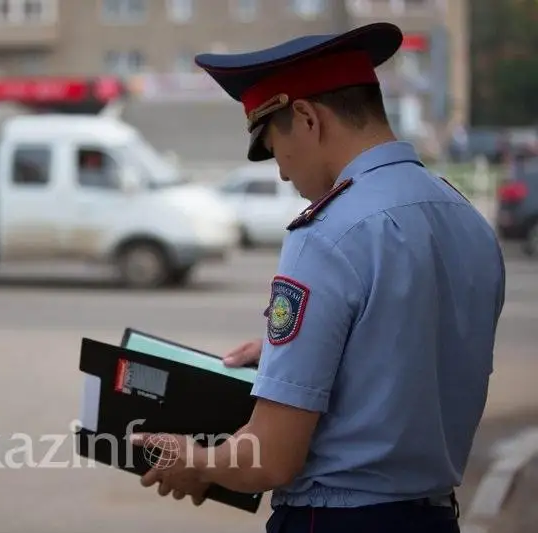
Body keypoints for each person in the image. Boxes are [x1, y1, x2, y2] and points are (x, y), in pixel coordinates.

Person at [130, 22, 506, 533]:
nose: (283, 173)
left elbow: (270, 459)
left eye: (274, 146)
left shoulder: (328, 233)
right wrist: (305, 353)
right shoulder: (467, 221)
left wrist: (196, 463)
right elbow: (413, 351)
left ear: (306, 118)